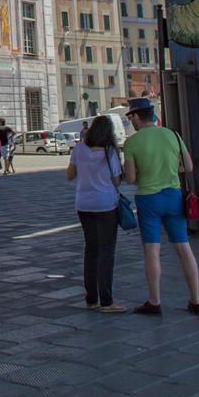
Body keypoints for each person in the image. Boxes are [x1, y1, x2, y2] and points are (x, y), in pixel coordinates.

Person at [122, 98, 199, 316]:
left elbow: (129, 179)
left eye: (131, 118)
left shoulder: (132, 142)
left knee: (152, 250)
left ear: (137, 116)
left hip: (149, 199)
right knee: (183, 248)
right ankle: (195, 300)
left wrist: (142, 170)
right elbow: (189, 166)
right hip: (173, 196)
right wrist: (170, 170)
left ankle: (154, 301)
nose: (132, 122)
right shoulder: (173, 135)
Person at [67, 114, 126, 313]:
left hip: (83, 204)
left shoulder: (78, 149)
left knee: (90, 250)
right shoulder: (110, 151)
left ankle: (91, 298)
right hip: (105, 204)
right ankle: (107, 301)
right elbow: (117, 181)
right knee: (106, 251)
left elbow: (70, 175)